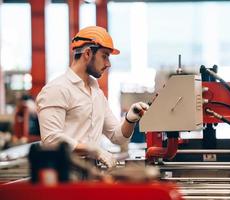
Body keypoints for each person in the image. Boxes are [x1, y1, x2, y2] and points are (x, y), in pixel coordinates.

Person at [36, 26, 149, 168]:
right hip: (64, 174)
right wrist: (94, 150)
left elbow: (117, 137)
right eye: (105, 56)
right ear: (88, 53)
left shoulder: (97, 93)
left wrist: (130, 119)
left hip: (90, 172)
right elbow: (51, 139)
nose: (108, 64)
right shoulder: (57, 89)